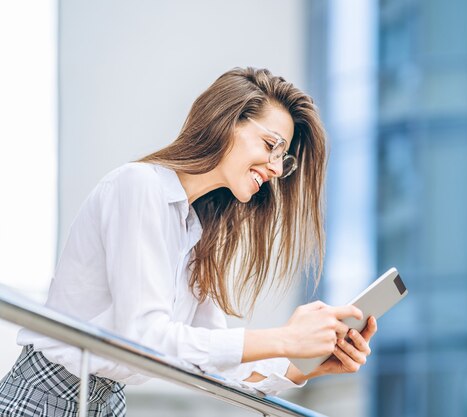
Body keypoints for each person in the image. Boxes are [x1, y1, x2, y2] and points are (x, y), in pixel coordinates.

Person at [0, 67, 377, 417]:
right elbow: (143, 338)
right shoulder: (139, 186)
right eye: (270, 145)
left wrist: (299, 366)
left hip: (106, 402)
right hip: (46, 395)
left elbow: (209, 357)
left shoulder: (197, 231)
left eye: (283, 158)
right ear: (227, 123)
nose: (277, 169)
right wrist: (284, 338)